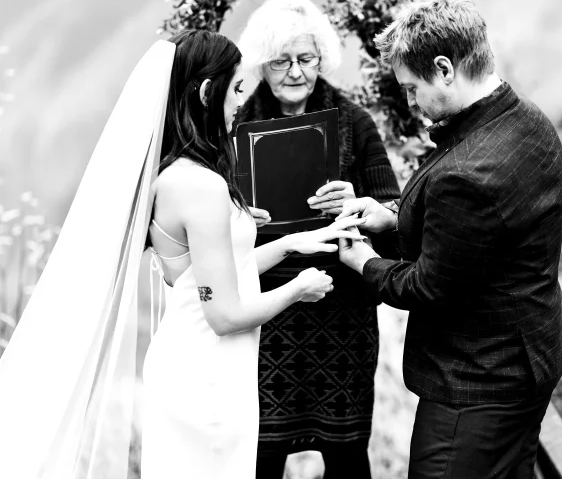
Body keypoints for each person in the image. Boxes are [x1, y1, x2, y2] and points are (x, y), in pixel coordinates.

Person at [0, 30, 365, 479]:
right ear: (209, 92)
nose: (238, 104)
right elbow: (225, 315)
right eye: (235, 89)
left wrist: (289, 244)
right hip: (209, 377)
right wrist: (298, 288)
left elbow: (199, 278)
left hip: (190, 365)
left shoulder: (172, 174)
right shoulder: (203, 187)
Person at [338, 0, 562, 479]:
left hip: (477, 387)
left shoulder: (468, 173)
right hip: (532, 358)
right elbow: (477, 243)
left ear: (444, 69)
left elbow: (429, 288)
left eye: (412, 88)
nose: (409, 103)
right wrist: (391, 217)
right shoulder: (527, 120)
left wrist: (363, 261)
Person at [235, 0, 401, 479]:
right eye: (281, 61)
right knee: (258, 456)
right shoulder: (237, 124)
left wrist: (358, 202)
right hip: (264, 314)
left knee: (347, 456)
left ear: (322, 59)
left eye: (306, 59)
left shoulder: (354, 122)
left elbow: (395, 211)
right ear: (262, 65)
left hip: (341, 313)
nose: (294, 72)